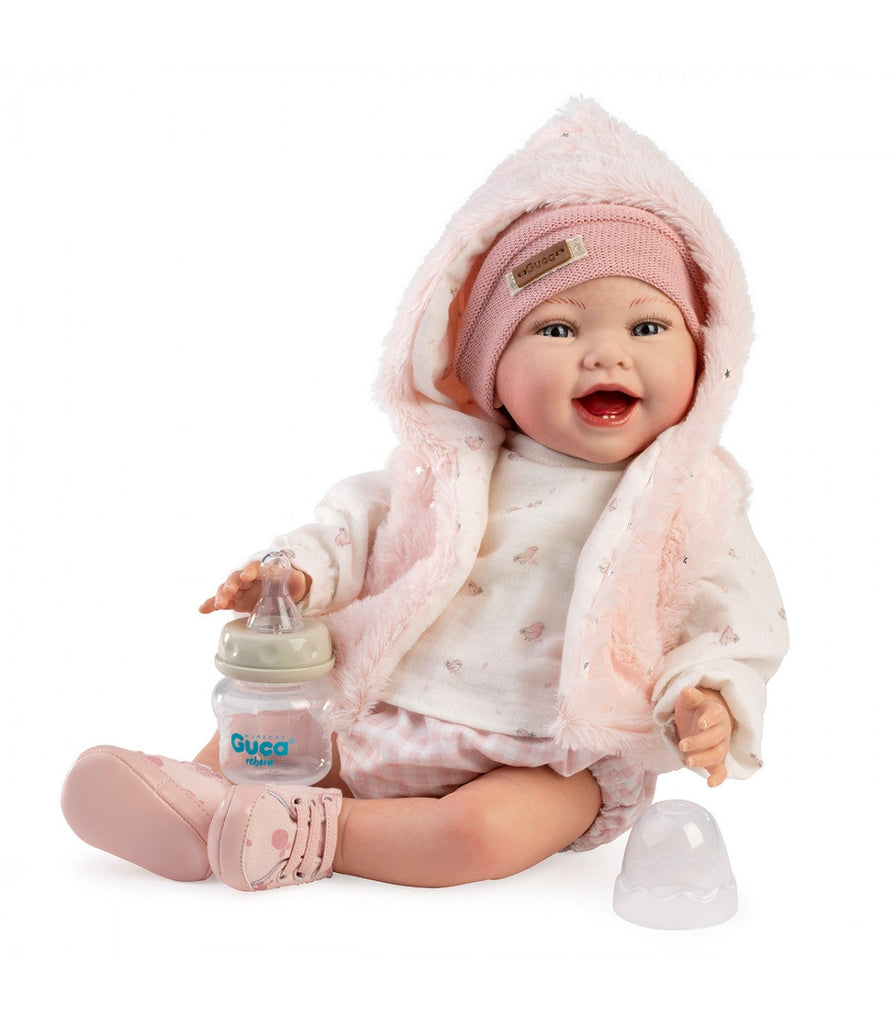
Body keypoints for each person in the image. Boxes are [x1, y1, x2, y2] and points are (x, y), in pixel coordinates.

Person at [62, 99, 788, 892]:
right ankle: (194, 794)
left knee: (478, 835)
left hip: (551, 758)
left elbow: (737, 621)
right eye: (557, 329)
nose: (606, 355)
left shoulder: (689, 500)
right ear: (488, 371)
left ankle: (304, 832)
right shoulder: (449, 467)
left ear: (707, 356)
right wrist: (293, 575)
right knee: (274, 727)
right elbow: (356, 526)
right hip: (384, 712)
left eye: (648, 328)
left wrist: (708, 695)